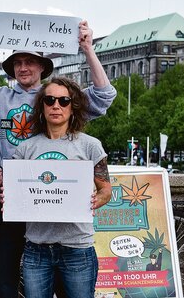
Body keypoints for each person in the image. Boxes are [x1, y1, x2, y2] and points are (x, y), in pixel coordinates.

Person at [0, 17, 116, 297]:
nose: (23, 67)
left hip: (54, 206)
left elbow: (103, 95)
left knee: (62, 283)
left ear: (42, 66)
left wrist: (88, 49)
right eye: (18, 62)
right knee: (5, 278)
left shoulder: (59, 97)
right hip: (9, 204)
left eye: (30, 61)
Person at [7, 76, 112, 298]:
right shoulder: (25, 149)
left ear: (73, 108)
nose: (56, 106)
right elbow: (13, 190)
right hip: (37, 248)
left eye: (64, 101)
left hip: (77, 248)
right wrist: (9, 197)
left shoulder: (90, 145)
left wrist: (97, 200)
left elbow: (106, 189)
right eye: (50, 100)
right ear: (42, 106)